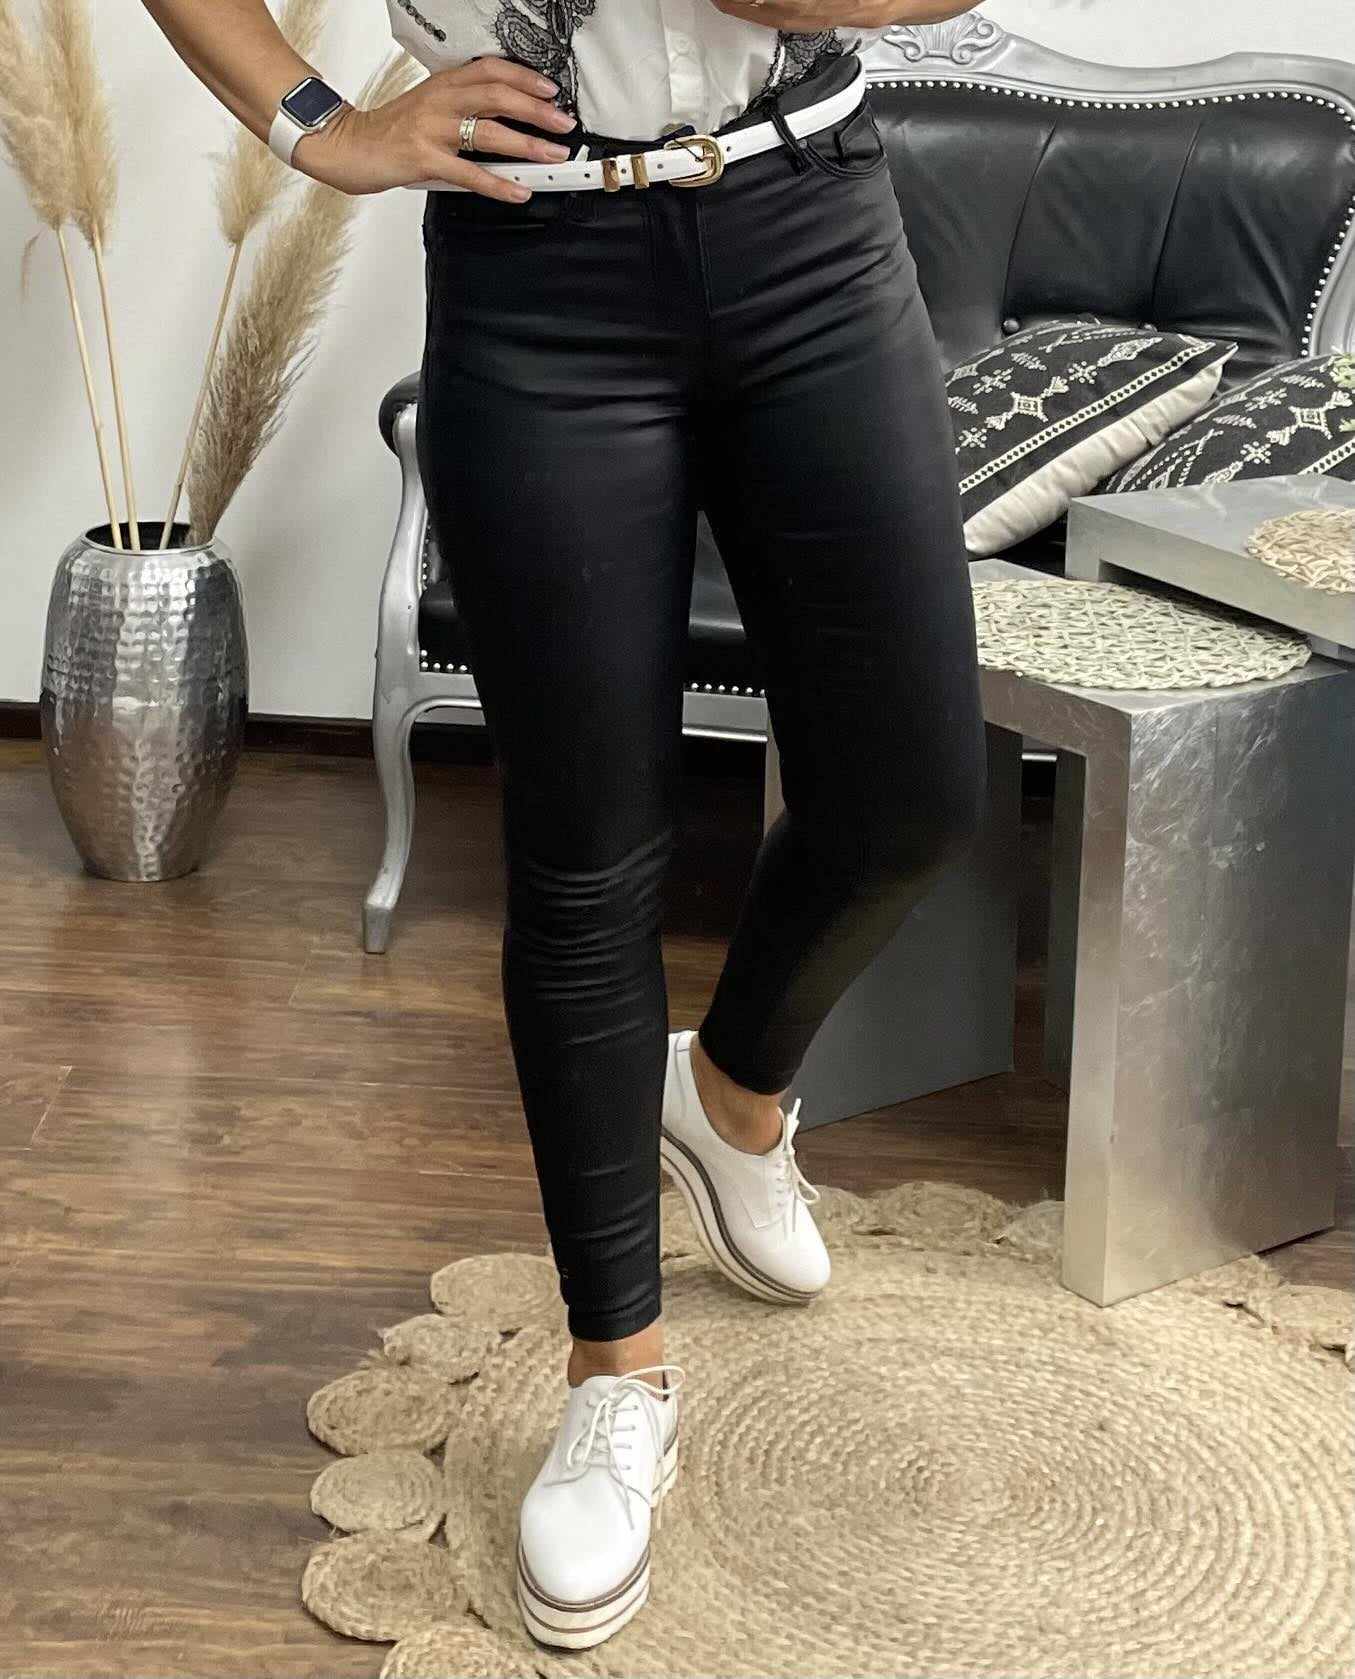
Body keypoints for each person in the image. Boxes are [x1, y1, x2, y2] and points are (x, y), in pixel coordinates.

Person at [144, 0, 988, 1652]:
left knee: (909, 795)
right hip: (541, 270)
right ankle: (619, 1379)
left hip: (812, 224)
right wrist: (326, 128)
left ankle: (729, 1098)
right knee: (587, 857)